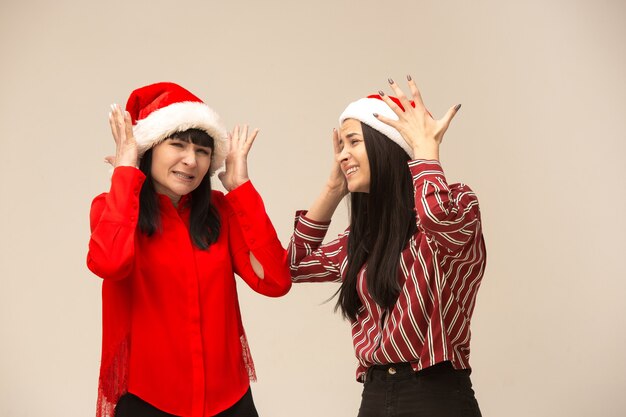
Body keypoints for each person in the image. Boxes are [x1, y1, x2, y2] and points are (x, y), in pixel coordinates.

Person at [87, 82, 291, 417]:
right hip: (148, 400)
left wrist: (241, 190)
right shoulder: (112, 209)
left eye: (202, 151)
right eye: (178, 145)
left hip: (230, 401)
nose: (191, 160)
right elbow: (110, 263)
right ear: (149, 149)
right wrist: (125, 170)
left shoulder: (221, 211)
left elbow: (275, 280)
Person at [288, 77, 486, 416]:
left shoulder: (457, 204)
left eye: (353, 142)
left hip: (435, 395)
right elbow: (292, 267)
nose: (342, 155)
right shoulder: (361, 239)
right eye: (341, 146)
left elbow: (437, 219)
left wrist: (424, 151)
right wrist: (333, 189)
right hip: (375, 396)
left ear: (387, 147)